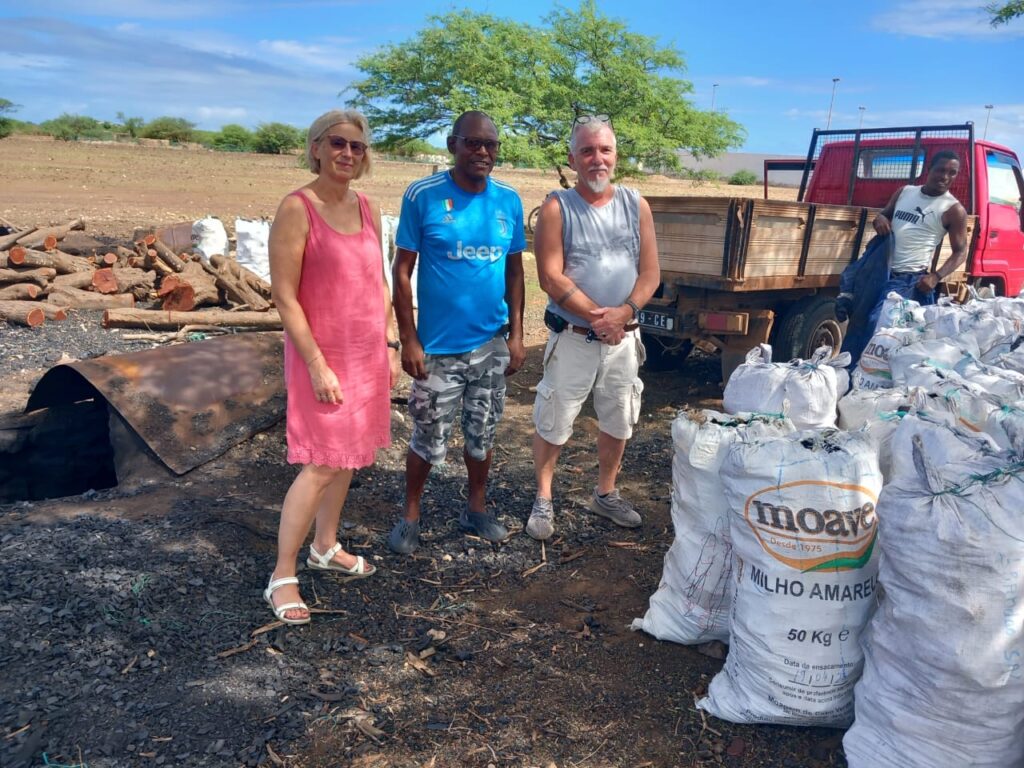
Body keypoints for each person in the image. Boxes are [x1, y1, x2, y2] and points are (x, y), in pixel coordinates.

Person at [264, 109, 401, 625]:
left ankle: (324, 546)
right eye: (338, 143)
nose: (348, 153)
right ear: (316, 147)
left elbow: (380, 284)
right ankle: (282, 574)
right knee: (322, 462)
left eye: (357, 147)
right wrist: (318, 364)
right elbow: (285, 297)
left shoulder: (369, 208)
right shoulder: (297, 208)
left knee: (349, 457)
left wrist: (387, 347)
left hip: (365, 356)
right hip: (321, 358)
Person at [387, 111, 526, 555]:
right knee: (428, 437)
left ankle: (476, 508)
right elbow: (402, 271)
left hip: (490, 345)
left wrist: (517, 335)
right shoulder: (423, 196)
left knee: (482, 433)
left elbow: (515, 271)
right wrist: (409, 339)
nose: (483, 152)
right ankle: (410, 514)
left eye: (491, 145)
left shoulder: (508, 200)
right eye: (473, 143)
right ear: (452, 145)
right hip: (437, 349)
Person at [527, 115, 661, 541]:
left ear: (616, 156)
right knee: (555, 420)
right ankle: (544, 498)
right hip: (574, 339)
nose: (596, 159)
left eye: (604, 150)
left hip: (624, 339)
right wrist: (600, 318)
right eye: (587, 151)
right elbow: (551, 277)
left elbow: (651, 273)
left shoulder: (636, 205)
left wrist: (624, 312)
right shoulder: (556, 207)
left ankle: (605, 493)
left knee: (620, 419)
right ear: (573, 157)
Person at [836, 150, 969, 340]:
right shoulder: (905, 192)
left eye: (952, 172)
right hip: (879, 272)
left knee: (879, 330)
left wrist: (936, 276)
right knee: (859, 325)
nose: (945, 176)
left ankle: (868, 369)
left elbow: (961, 251)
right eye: (940, 170)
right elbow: (884, 214)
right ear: (929, 169)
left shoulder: (953, 209)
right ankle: (848, 369)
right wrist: (880, 218)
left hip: (908, 280)